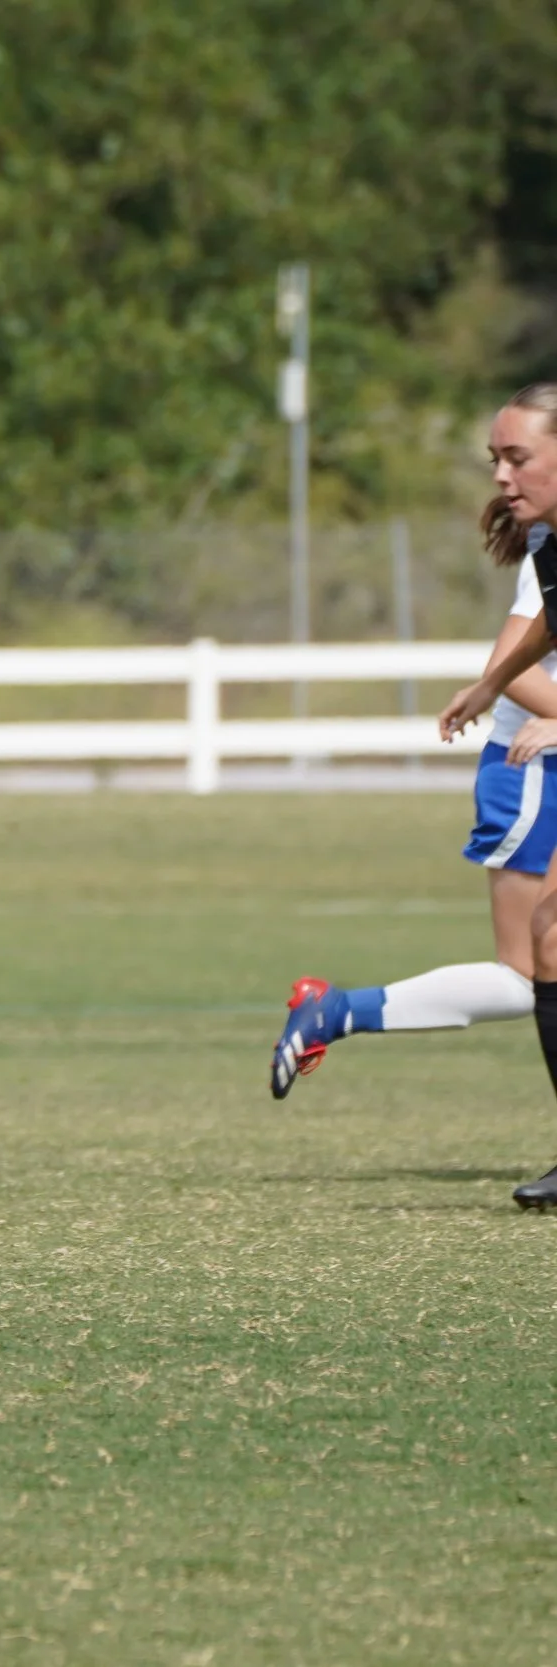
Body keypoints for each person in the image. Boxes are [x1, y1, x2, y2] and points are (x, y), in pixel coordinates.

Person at [271, 519, 557, 1097]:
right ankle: (339, 1011)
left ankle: (338, 1011)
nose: (505, 473)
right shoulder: (547, 555)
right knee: (527, 974)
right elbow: (513, 666)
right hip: (536, 771)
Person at [427, 381, 557, 1209]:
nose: (502, 477)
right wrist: (495, 685)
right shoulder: (550, 544)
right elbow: (549, 622)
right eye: (496, 459)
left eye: (519, 457)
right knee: (550, 943)